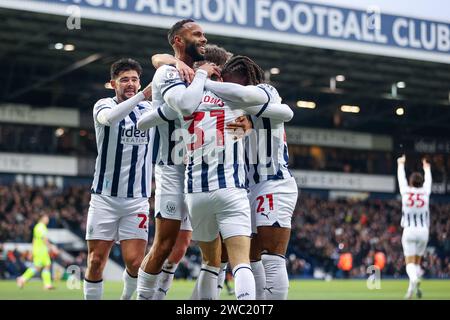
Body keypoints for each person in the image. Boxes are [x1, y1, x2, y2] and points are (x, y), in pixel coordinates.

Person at [136, 19, 221, 300]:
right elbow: (184, 104)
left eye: (204, 34)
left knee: (186, 246)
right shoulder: (167, 74)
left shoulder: (200, 73)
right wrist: (170, 62)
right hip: (172, 168)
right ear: (178, 41)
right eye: (197, 34)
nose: (203, 39)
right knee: (164, 243)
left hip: (200, 170)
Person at [204, 55, 297, 299]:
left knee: (272, 257)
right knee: (250, 257)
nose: (226, 87)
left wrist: (204, 82)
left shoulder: (265, 91)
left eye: (229, 82)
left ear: (244, 79)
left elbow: (244, 97)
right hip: (248, 187)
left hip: (273, 182)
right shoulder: (240, 110)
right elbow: (230, 138)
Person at [84, 58, 153, 300]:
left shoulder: (149, 110)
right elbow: (109, 119)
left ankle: (125, 298)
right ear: (113, 84)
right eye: (125, 80)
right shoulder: (103, 105)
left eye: (135, 79)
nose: (131, 84)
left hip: (137, 200)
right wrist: (143, 96)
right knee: (95, 261)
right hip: (104, 198)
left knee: (135, 263)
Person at [397, 155, 432, 299]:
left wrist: (400, 164)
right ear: (422, 182)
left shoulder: (405, 191)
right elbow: (429, 180)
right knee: (417, 262)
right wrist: (426, 168)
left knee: (409, 262)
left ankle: (414, 279)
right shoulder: (425, 192)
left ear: (411, 182)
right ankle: (410, 293)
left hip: (409, 230)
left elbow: (401, 178)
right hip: (424, 231)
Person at [16, 214, 58, 290]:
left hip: (39, 250)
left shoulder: (38, 227)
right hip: (41, 250)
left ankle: (47, 284)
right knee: (38, 267)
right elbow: (44, 239)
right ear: (42, 219)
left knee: (46, 265)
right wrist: (52, 248)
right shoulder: (41, 227)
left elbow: (34, 240)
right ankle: (22, 278)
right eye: (46, 218)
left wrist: (32, 251)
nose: (47, 220)